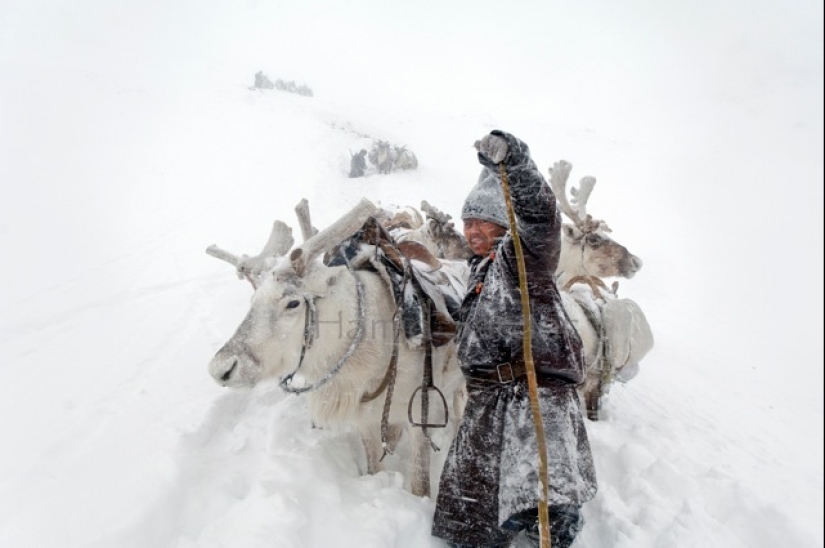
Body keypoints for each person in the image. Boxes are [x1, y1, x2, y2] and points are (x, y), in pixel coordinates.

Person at [431, 130, 597, 548]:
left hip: (531, 403)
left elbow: (542, 217)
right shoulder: (479, 273)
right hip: (487, 408)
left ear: (504, 223)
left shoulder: (522, 258)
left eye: (481, 221)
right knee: (469, 526)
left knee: (545, 522)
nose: (471, 230)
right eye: (467, 222)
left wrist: (516, 164)